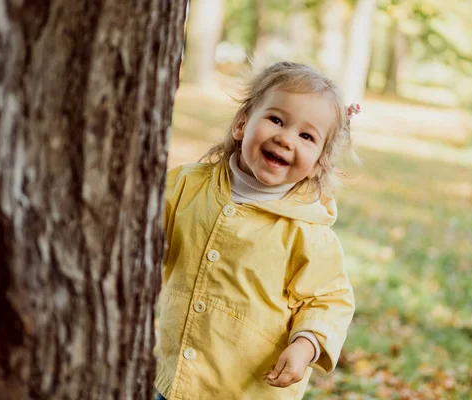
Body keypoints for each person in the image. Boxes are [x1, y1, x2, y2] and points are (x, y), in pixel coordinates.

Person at [154, 61, 359, 400]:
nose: (285, 138)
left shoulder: (308, 231)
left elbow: (328, 300)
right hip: (177, 378)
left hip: (249, 390)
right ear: (241, 123)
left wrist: (306, 344)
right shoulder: (187, 186)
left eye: (306, 136)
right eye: (276, 120)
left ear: (319, 164)